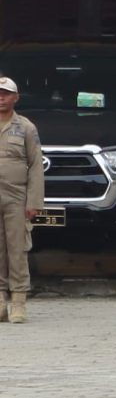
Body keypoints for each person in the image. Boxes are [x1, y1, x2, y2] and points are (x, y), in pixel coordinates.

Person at [0, 75, 36, 323]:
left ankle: (19, 302)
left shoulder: (25, 127)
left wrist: (33, 202)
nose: (1, 97)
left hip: (16, 196)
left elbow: (35, 166)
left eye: (5, 93)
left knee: (17, 249)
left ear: (16, 97)